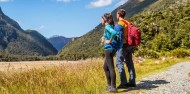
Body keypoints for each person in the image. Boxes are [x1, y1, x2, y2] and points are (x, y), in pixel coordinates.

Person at [115, 9, 136, 89]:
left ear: (118, 15)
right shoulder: (128, 22)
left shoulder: (120, 23)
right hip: (129, 45)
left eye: (117, 14)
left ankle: (123, 82)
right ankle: (132, 81)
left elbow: (118, 37)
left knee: (119, 62)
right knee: (130, 63)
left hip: (123, 45)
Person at [101, 13, 117, 92]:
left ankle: (113, 87)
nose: (101, 20)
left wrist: (109, 41)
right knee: (105, 67)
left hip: (108, 49)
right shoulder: (110, 25)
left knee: (110, 67)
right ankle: (109, 85)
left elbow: (114, 33)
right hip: (111, 49)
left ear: (104, 19)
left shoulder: (107, 26)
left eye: (101, 19)